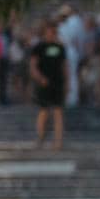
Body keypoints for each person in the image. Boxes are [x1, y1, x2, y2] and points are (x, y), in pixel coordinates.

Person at [30, 20, 68, 150]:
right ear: (45, 32)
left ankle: (58, 142)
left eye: (54, 32)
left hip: (57, 83)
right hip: (44, 83)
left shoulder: (60, 48)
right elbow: (33, 66)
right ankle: (40, 138)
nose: (52, 34)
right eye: (50, 31)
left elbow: (64, 66)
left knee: (58, 112)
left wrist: (67, 83)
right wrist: (40, 78)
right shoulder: (39, 47)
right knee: (44, 111)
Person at [57, 3, 86, 108]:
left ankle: (72, 98)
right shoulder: (71, 22)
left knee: (71, 75)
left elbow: (74, 38)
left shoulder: (73, 21)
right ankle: (69, 98)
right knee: (69, 75)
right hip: (70, 50)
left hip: (69, 50)